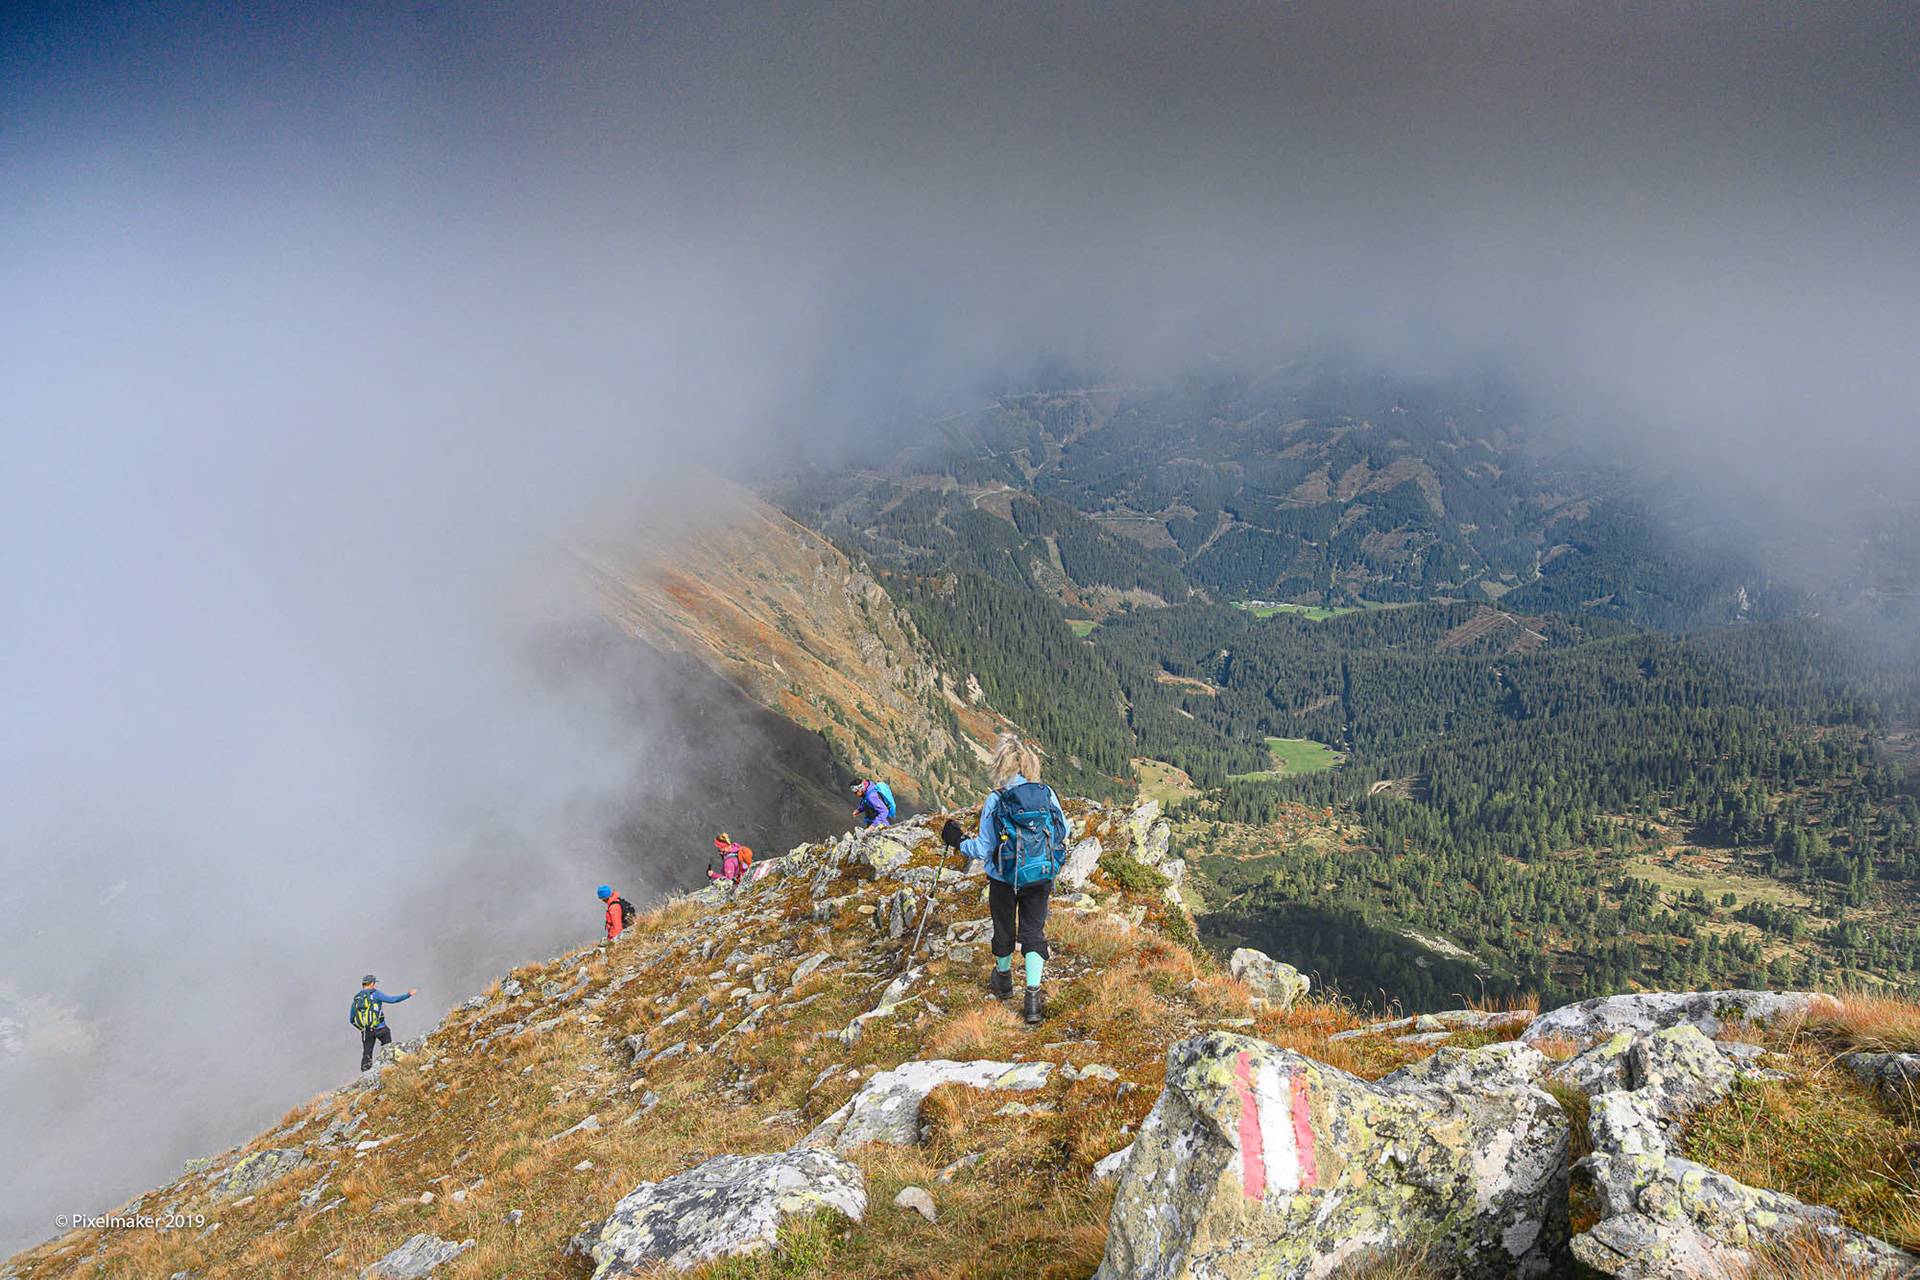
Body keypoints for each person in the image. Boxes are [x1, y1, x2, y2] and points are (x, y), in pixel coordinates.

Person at [942, 733, 1067, 1025]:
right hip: (1041, 875)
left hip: (1003, 877)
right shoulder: (1046, 793)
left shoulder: (996, 799)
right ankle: (1033, 1000)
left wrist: (959, 842)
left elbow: (984, 849)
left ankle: (1004, 981)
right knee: (1034, 932)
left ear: (1002, 766)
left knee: (1004, 929)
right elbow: (1065, 831)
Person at [351, 975, 416, 1072]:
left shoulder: (357, 998)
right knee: (388, 1048)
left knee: (367, 1054)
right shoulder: (375, 994)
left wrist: (362, 1029)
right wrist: (408, 994)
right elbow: (392, 1000)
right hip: (381, 1029)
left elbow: (352, 1019)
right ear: (372, 983)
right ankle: (388, 1068)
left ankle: (366, 1077)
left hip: (366, 1032)